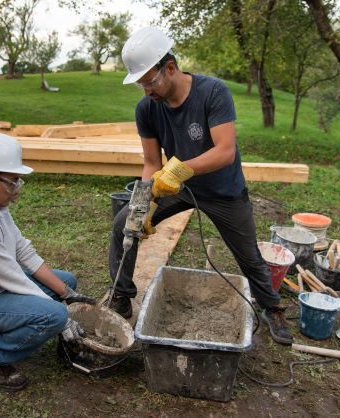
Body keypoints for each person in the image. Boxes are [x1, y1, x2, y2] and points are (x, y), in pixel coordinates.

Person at [108, 27, 293, 345]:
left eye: (150, 82)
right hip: (176, 188)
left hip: (223, 191)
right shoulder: (147, 109)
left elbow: (225, 151)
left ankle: (272, 308)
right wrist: (142, 202)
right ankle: (121, 296)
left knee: (249, 256)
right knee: (124, 224)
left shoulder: (213, 92)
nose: (146, 91)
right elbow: (151, 162)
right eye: (141, 84)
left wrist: (179, 170)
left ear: (170, 67)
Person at [0, 132, 95, 392]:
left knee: (65, 281)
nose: (16, 189)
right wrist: (63, 317)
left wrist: (67, 293)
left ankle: (14, 326)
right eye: (12, 181)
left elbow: (23, 252)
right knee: (55, 314)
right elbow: (14, 278)